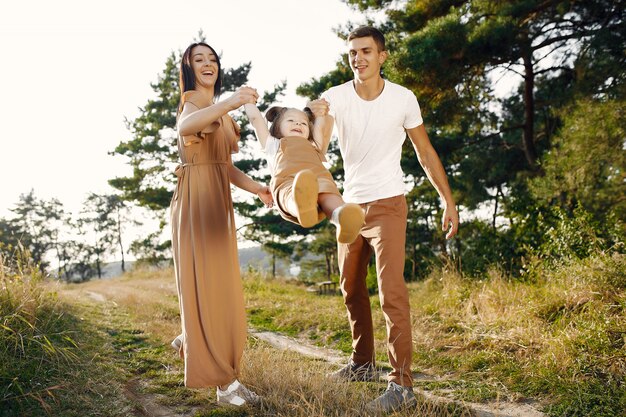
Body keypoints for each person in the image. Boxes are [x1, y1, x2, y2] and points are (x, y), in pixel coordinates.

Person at [308, 26, 459, 413]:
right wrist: (316, 120)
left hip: (390, 204)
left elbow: (424, 152)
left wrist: (448, 200)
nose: (358, 58)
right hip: (350, 209)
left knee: (392, 291)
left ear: (382, 56)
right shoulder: (335, 98)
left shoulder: (403, 99)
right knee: (350, 288)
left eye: (365, 51)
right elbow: (319, 150)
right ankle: (362, 364)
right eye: (352, 53)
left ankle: (402, 385)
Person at [169, 41, 273, 407]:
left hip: (217, 201)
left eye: (212, 58)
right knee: (212, 290)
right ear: (189, 68)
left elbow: (225, 167)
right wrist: (230, 101)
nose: (207, 63)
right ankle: (223, 384)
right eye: (199, 59)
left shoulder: (222, 113)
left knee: (223, 291)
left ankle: (198, 343)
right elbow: (186, 127)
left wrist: (258, 188)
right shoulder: (193, 100)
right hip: (196, 202)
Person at [243, 103, 364, 243]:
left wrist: (319, 115)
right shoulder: (273, 144)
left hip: (318, 179)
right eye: (291, 121)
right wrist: (248, 102)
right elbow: (256, 120)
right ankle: (302, 206)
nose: (298, 124)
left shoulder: (314, 146)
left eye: (303, 123)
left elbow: (320, 126)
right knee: (290, 194)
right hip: (287, 182)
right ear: (277, 127)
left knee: (329, 194)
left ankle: (342, 216)